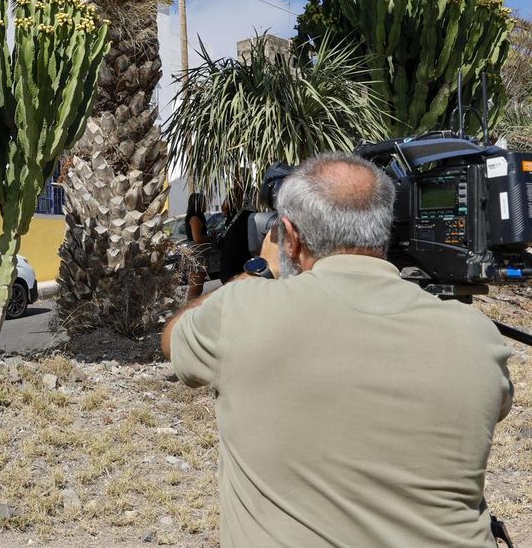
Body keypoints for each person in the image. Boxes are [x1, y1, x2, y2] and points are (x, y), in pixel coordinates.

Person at [162, 152, 513, 547]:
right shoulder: (477, 338)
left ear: (290, 237)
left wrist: (261, 269)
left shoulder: (242, 311)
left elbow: (173, 336)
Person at [183, 192, 210, 301]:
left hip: (199, 253)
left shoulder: (198, 217)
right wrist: (211, 237)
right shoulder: (195, 218)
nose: (206, 204)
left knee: (197, 287)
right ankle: (188, 312)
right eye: (204, 202)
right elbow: (197, 238)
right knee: (195, 289)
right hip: (197, 253)